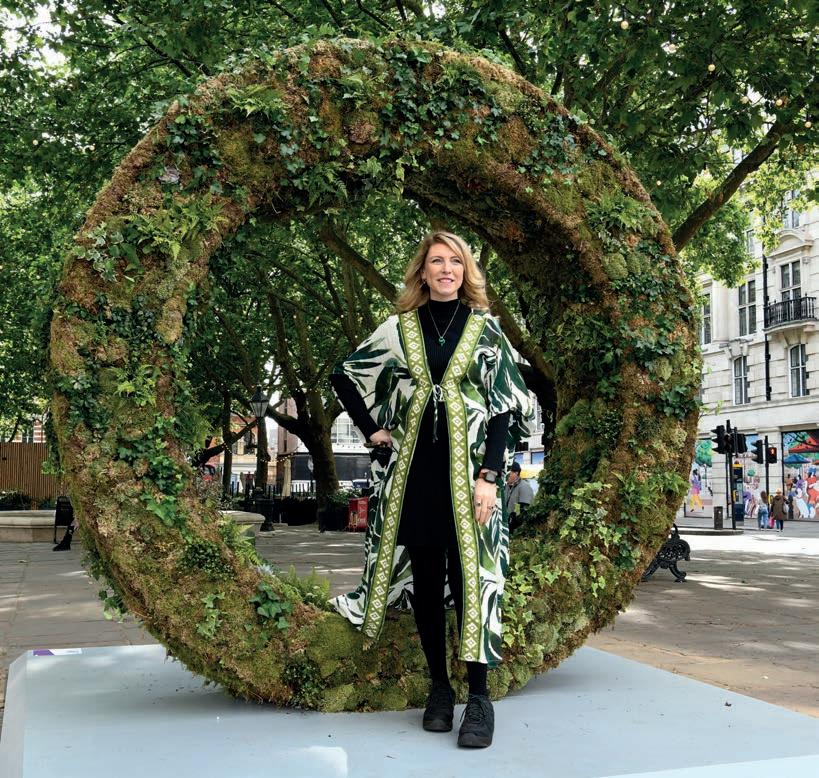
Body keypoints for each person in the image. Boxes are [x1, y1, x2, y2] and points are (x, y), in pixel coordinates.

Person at [329, 231, 533, 748]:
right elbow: (344, 374)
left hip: (471, 477)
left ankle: (479, 698)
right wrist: (373, 430)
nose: (446, 269)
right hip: (415, 473)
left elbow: (505, 407)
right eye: (437, 261)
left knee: (472, 580)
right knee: (425, 579)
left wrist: (490, 476)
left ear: (466, 271)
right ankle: (439, 688)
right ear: (422, 271)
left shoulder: (486, 329)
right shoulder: (400, 329)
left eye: (455, 262)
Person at [505, 461, 535, 533]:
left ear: (516, 473)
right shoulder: (506, 486)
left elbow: (524, 508)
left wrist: (513, 519)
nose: (505, 475)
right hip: (505, 525)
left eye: (508, 472)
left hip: (516, 529)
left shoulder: (524, 486)